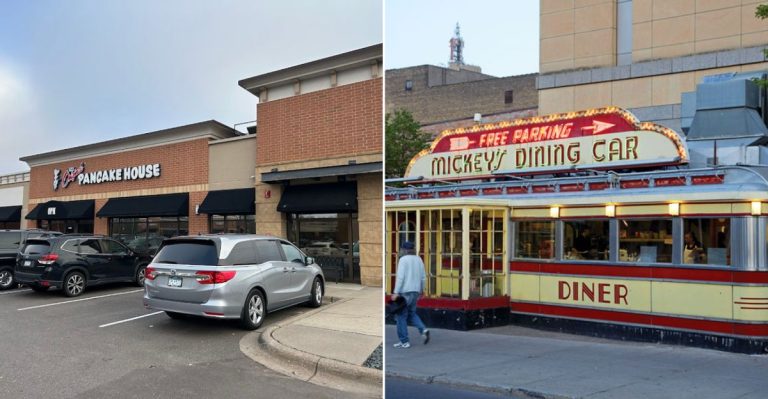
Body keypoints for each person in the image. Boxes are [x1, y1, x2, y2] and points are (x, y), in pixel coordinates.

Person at [391, 241, 430, 348]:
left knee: (401, 316)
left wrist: (396, 292)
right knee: (412, 313)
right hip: (416, 291)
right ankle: (423, 329)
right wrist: (422, 290)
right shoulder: (419, 259)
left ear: (404, 250)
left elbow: (400, 278)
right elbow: (423, 277)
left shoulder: (403, 260)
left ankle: (404, 341)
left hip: (404, 291)